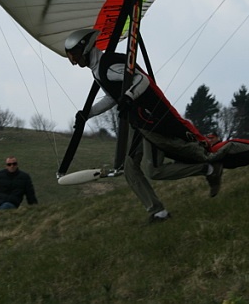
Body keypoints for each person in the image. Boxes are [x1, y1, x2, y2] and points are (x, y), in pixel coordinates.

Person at [64, 29, 226, 222]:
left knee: (155, 170)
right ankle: (158, 212)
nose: (74, 61)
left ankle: (209, 168)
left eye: (75, 55)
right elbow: (112, 96)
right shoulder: (98, 70)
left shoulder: (109, 65)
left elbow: (141, 79)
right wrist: (88, 113)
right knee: (130, 169)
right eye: (71, 58)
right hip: (139, 122)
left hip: (151, 120)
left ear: (86, 48)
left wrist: (129, 97)